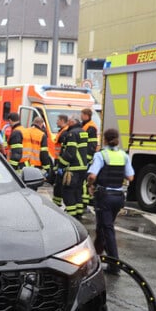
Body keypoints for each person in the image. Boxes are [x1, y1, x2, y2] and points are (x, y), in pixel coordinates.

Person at [86, 128, 135, 274]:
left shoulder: (101, 155)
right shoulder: (123, 155)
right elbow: (130, 177)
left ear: (105, 140)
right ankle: (94, 260)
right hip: (118, 197)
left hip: (104, 197)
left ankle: (114, 265)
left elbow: (92, 176)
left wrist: (89, 185)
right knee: (102, 229)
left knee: (106, 229)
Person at [55, 115, 89, 218]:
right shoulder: (83, 132)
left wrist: (61, 165)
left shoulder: (72, 134)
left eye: (69, 121)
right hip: (82, 167)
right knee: (78, 191)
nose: (68, 123)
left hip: (73, 168)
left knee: (68, 192)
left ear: (72, 122)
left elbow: (70, 153)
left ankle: (71, 215)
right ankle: (78, 213)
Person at [80, 108, 99, 213]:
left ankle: (85, 202)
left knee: (85, 180)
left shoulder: (90, 127)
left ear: (87, 115)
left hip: (86, 158)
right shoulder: (85, 125)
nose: (80, 116)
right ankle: (85, 201)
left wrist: (86, 158)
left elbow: (91, 144)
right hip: (84, 157)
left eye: (82, 114)